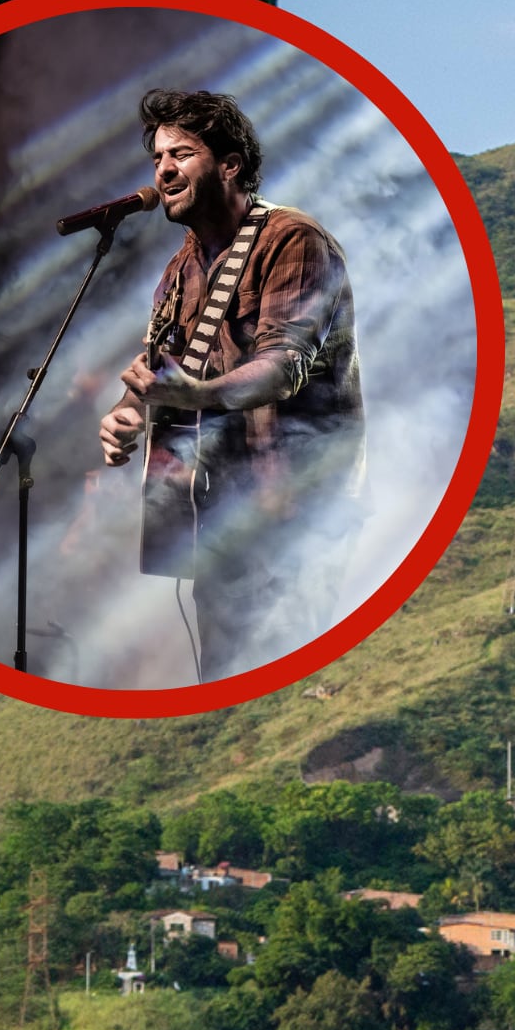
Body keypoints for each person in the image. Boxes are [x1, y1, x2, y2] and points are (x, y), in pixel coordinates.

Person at [97, 88, 366, 679]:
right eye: (157, 157)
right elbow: (159, 372)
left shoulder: (292, 241)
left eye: (182, 154)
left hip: (296, 514)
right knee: (224, 677)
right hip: (218, 522)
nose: (163, 169)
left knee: (290, 679)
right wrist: (127, 414)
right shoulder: (180, 268)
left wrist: (198, 395)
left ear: (230, 164)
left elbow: (284, 364)